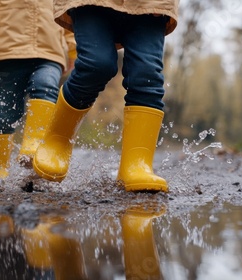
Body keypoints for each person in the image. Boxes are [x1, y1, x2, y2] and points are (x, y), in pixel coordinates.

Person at [33, 2, 178, 192]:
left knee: (147, 75)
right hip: (91, 3)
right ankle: (57, 140)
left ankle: (137, 165)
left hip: (149, 5)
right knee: (96, 65)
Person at [0, 0, 76, 178]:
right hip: (8, 50)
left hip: (50, 51)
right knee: (5, 111)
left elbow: (69, 10)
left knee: (46, 85)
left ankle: (33, 145)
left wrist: (75, 48)